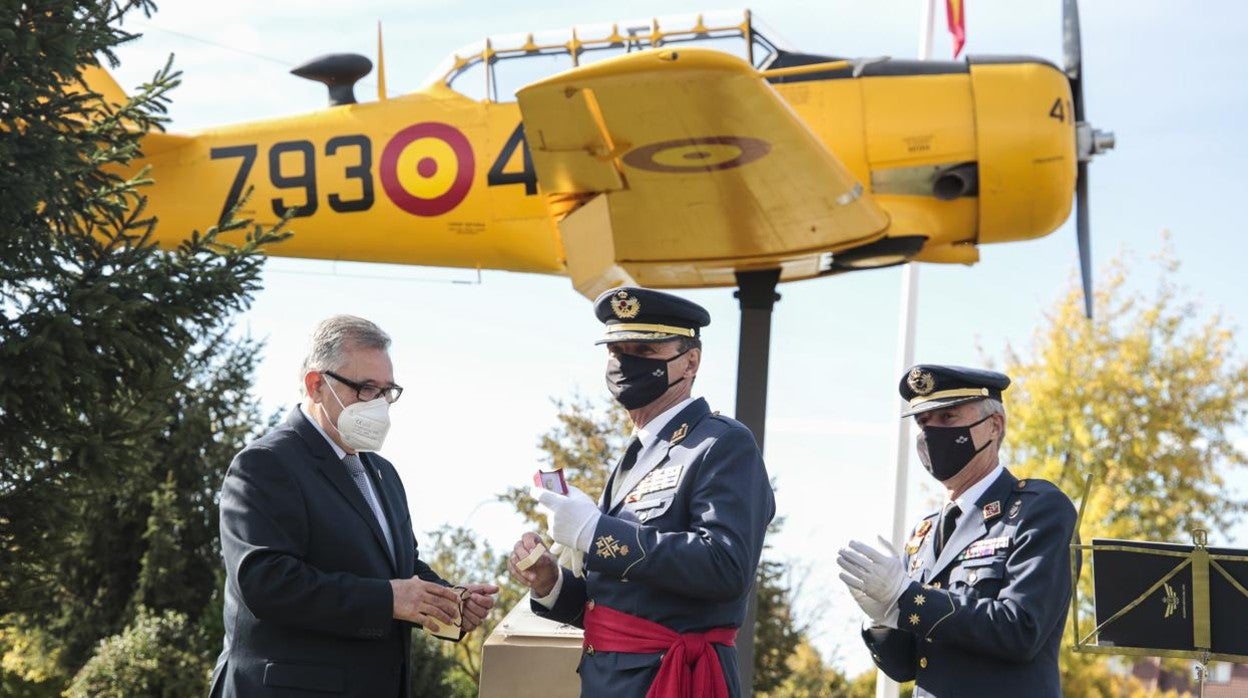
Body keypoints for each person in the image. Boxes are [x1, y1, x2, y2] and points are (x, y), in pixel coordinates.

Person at [210, 315, 498, 698]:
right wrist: (388, 599)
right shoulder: (266, 463)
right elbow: (266, 583)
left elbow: (401, 569)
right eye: (365, 388)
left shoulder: (383, 474)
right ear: (316, 385)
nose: (378, 404)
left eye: (386, 391)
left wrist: (449, 602)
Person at [508, 286, 775, 698]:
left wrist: (595, 534)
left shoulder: (720, 444)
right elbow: (623, 606)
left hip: (674, 682)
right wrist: (552, 584)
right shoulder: (638, 455)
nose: (624, 363)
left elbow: (726, 567)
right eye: (616, 351)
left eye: (643, 351)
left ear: (690, 361)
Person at [836, 365, 1077, 697]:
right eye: (923, 423)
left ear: (994, 426)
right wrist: (883, 618)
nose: (931, 433)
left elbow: (1021, 630)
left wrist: (907, 598)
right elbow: (906, 666)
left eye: (947, 418)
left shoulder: (1038, 510)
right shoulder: (925, 533)